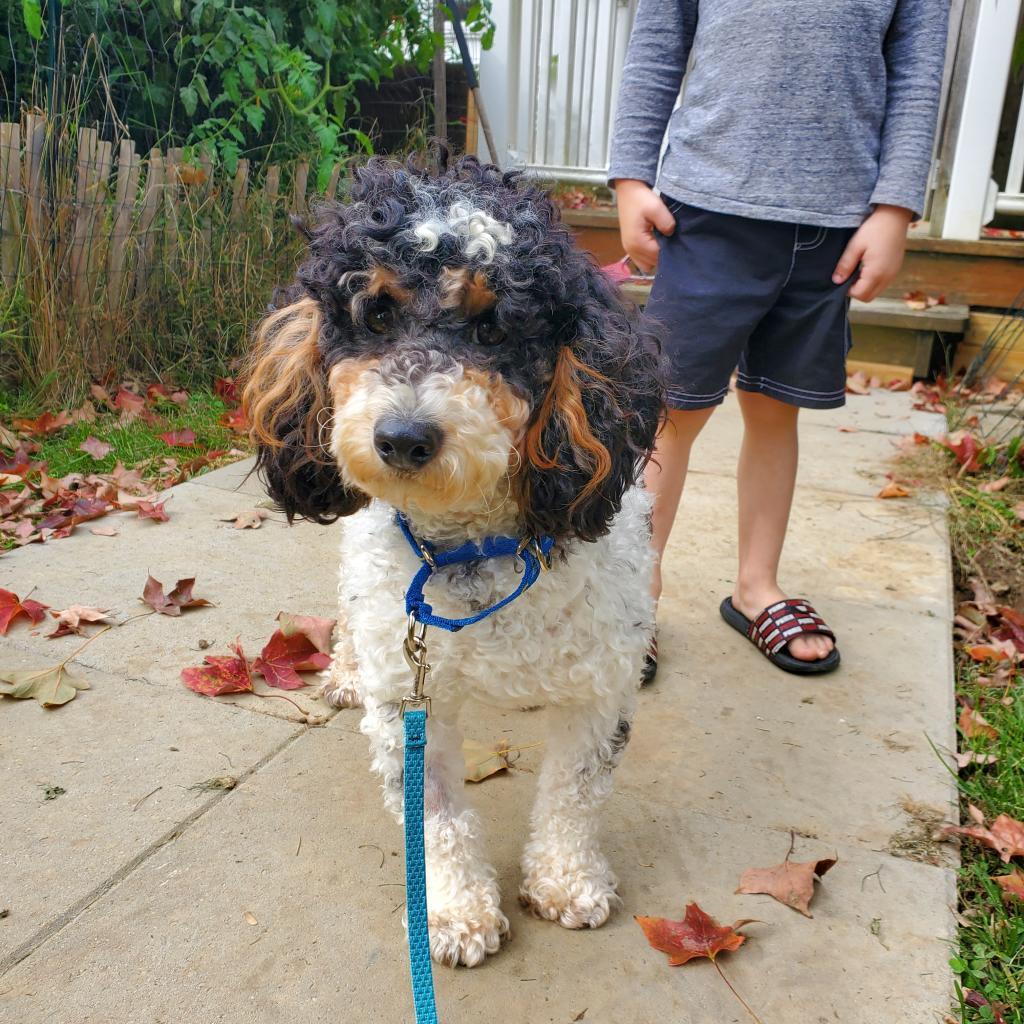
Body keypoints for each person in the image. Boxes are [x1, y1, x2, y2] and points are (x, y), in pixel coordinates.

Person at [609, 0, 949, 681]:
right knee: (671, 414)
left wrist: (895, 207)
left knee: (775, 410)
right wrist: (630, 178)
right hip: (704, 211)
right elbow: (656, 46)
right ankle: (633, 590)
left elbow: (917, 72)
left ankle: (756, 587)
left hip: (834, 223)